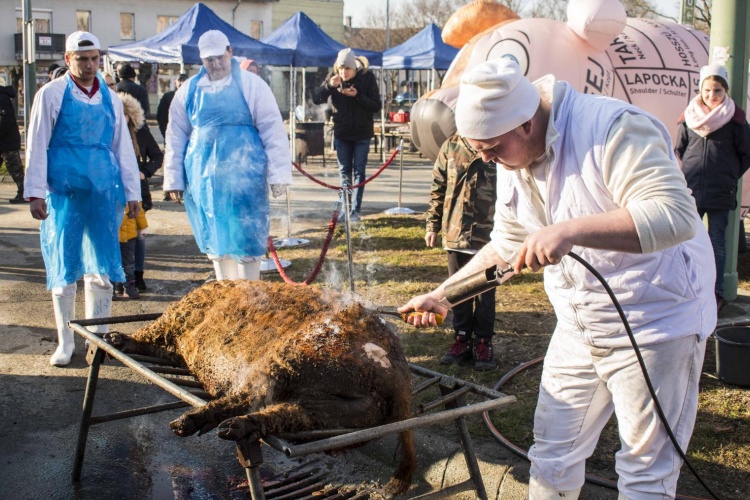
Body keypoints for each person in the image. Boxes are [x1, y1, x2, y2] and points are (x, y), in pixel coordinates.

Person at [399, 59, 716, 500]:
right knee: (551, 454)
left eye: (492, 147)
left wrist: (571, 230)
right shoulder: (512, 156)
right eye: (479, 149)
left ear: (527, 123)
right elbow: (508, 242)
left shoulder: (612, 129)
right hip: (580, 323)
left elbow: (675, 215)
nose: (488, 160)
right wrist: (444, 294)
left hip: (655, 319)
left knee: (646, 473)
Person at [24, 31, 141, 366]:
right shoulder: (51, 94)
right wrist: (34, 192)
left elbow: (122, 148)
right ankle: (66, 342)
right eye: (82, 59)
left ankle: (98, 340)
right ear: (67, 60)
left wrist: (132, 192)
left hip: (103, 193)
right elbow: (37, 142)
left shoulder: (110, 97)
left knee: (101, 268)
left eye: (94, 59)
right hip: (64, 194)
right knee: (64, 268)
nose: (90, 66)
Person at [163, 30, 291, 281]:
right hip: (204, 179)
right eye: (209, 59)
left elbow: (272, 130)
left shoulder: (252, 85)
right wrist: (174, 179)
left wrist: (279, 174)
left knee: (246, 234)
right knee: (215, 236)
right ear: (201, 60)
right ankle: (225, 293)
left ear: (230, 52)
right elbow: (176, 135)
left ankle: (249, 296)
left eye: (220, 57)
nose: (216, 64)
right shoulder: (188, 90)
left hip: (246, 177)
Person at [675, 63, 750, 312]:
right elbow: (680, 149)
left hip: (720, 191)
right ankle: (687, 285)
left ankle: (715, 291)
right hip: (692, 190)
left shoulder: (735, 119)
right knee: (687, 240)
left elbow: (745, 154)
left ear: (725, 90)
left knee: (716, 240)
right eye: (707, 90)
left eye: (717, 90)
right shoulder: (689, 117)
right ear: (701, 90)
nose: (711, 95)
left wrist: (729, 176)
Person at [425, 134, 497, 370]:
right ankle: (462, 338)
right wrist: (432, 225)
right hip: (455, 232)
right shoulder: (450, 145)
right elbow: (438, 187)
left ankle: (484, 342)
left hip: (489, 235)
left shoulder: (497, 142)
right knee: (457, 290)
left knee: (485, 291)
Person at [312, 48, 381, 222]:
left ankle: (355, 210)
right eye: (340, 68)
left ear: (354, 68)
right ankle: (346, 208)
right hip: (342, 134)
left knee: (359, 171)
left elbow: (376, 106)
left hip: (362, 134)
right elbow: (316, 98)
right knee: (344, 173)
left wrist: (358, 96)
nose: (343, 72)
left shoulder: (367, 78)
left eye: (347, 69)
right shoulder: (333, 78)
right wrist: (329, 86)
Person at [119, 90, 162, 292]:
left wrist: (145, 172)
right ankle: (121, 277)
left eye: (124, 113)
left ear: (130, 115)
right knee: (120, 235)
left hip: (138, 192)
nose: (120, 117)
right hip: (116, 192)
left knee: (139, 235)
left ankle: (138, 275)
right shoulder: (110, 133)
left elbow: (157, 156)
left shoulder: (141, 133)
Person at [0, 84, 25, 203]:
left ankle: (24, 193)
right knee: (15, 169)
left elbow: (5, 120)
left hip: (7, 141)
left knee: (15, 170)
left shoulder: (2, 98)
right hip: (4, 140)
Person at [157, 73, 187, 140]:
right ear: (175, 82)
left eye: (184, 81)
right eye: (180, 81)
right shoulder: (168, 97)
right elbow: (161, 116)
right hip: (171, 134)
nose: (181, 83)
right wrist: (165, 133)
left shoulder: (191, 97)